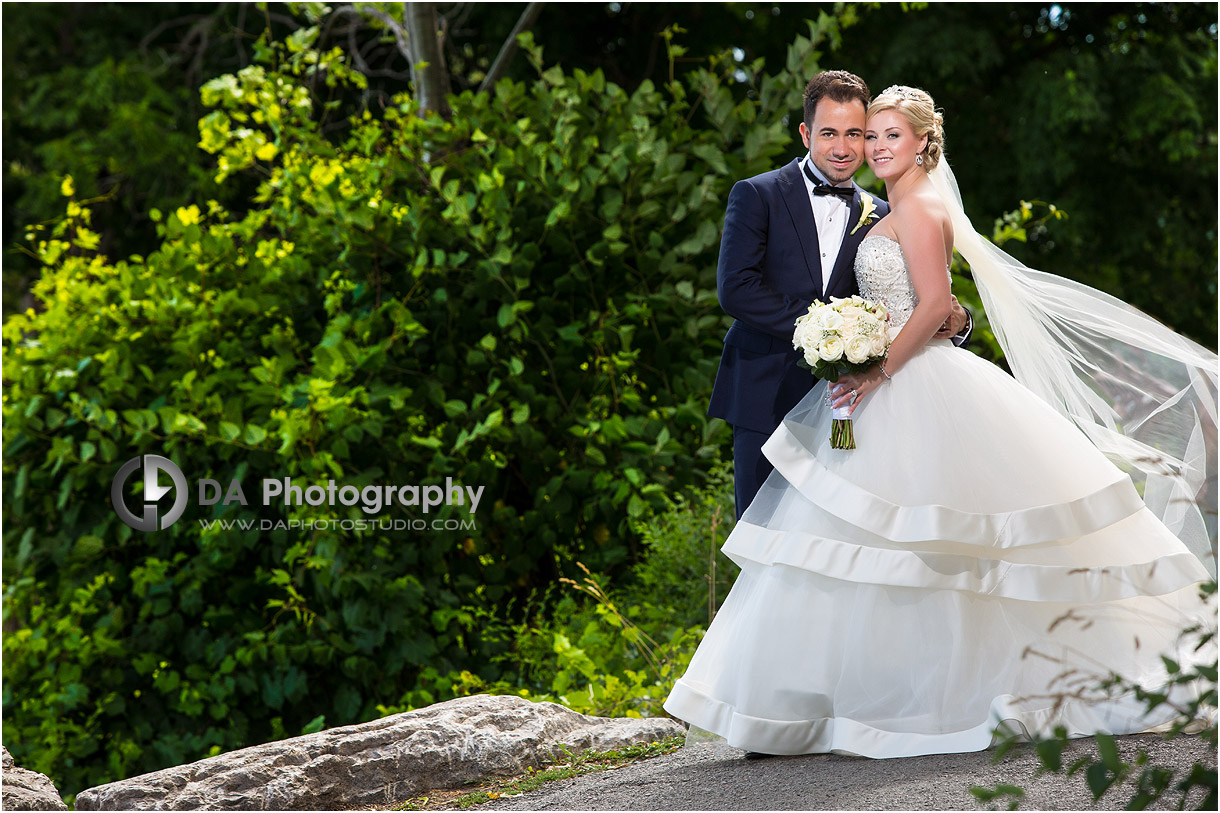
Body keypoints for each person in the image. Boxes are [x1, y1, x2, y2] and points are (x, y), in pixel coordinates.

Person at [664, 85, 1217, 759]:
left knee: (922, 543)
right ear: (807, 134)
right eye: (868, 136)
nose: (868, 147)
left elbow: (933, 306)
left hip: (892, 386)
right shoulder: (825, 200)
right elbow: (745, 289)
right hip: (819, 387)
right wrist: (848, 338)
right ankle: (821, 700)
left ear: (924, 141)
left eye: (883, 135)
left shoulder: (911, 206)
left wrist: (878, 364)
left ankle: (905, 698)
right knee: (838, 548)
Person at [708, 70, 969, 520]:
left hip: (851, 403)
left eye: (855, 134)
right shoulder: (757, 194)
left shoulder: (886, 213)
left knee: (836, 536)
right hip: (764, 389)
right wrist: (822, 330)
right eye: (829, 133)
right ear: (807, 132)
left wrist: (959, 321)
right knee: (761, 532)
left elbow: (916, 296)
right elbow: (736, 289)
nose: (844, 148)